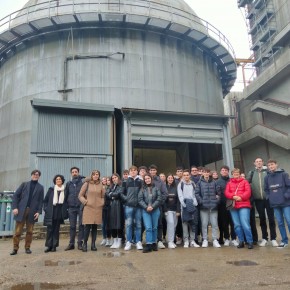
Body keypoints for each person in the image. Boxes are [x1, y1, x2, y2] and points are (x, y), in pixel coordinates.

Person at [10, 170, 44, 255]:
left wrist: (39, 212)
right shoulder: (24, 184)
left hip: (32, 212)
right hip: (21, 210)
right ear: (31, 175)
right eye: (34, 174)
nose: (35, 175)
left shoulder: (40, 187)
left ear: (39, 176)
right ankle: (15, 248)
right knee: (18, 231)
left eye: (37, 174)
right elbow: (16, 196)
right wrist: (14, 207)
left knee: (30, 232)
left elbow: (41, 201)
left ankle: (27, 248)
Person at [248, 157, 278, 247]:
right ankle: (264, 238)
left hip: (268, 199)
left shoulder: (268, 172)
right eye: (257, 162)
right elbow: (246, 183)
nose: (259, 163)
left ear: (262, 162)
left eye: (260, 161)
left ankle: (273, 238)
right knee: (262, 219)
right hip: (258, 200)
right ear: (254, 163)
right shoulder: (252, 173)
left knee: (271, 218)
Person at [225, 168, 253, 249]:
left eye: (237, 173)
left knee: (245, 224)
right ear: (232, 174)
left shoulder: (245, 182)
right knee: (237, 225)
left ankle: (249, 241)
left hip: (244, 204)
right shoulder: (229, 183)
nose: (236, 174)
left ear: (240, 174)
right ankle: (241, 241)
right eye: (234, 173)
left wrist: (240, 197)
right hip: (233, 206)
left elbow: (248, 192)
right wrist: (233, 196)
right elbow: (226, 193)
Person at [264, 159, 290, 248]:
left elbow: (289, 186)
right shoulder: (267, 177)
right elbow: (266, 189)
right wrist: (269, 197)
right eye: (269, 165)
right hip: (274, 203)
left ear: (276, 165)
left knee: (289, 221)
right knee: (280, 223)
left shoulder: (284, 174)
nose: (271, 166)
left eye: (272, 164)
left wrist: (286, 195)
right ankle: (284, 241)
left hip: (285, 203)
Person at [79, 170, 105, 252]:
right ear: (91, 175)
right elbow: (80, 195)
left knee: (94, 227)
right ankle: (85, 244)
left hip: (98, 208)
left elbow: (103, 195)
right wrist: (85, 202)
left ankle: (93, 244)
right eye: (94, 174)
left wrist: (102, 202)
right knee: (87, 227)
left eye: (97, 174)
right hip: (88, 208)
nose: (96, 176)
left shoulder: (101, 185)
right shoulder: (86, 184)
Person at [195, 168, 221, 248]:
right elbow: (196, 193)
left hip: (213, 207)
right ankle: (205, 239)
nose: (206, 174)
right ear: (202, 173)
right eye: (205, 172)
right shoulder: (199, 183)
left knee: (214, 224)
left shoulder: (214, 182)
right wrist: (201, 201)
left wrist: (217, 200)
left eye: (207, 172)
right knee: (204, 224)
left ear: (210, 173)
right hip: (203, 207)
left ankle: (215, 239)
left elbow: (219, 193)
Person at [121, 165, 143, 251]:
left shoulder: (141, 181)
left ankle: (138, 242)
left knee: (138, 224)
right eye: (131, 170)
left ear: (137, 172)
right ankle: (128, 242)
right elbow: (121, 193)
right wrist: (127, 199)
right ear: (129, 172)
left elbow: (143, 192)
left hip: (138, 207)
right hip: (128, 206)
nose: (133, 172)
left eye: (135, 170)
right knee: (129, 225)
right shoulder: (125, 181)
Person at [43, 174, 68, 253]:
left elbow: (67, 201)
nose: (58, 180)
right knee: (50, 229)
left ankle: (54, 246)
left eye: (60, 179)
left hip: (59, 212)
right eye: (57, 179)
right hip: (51, 212)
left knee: (56, 230)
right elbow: (45, 200)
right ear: (55, 181)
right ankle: (49, 246)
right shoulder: (51, 189)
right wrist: (46, 209)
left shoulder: (65, 190)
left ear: (62, 181)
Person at [138, 174, 162, 253]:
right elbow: (140, 200)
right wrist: (146, 207)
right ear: (144, 180)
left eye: (148, 178)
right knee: (148, 227)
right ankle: (148, 244)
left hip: (155, 210)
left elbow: (159, 198)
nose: (147, 180)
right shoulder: (142, 189)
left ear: (151, 179)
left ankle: (154, 243)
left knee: (154, 227)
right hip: (146, 211)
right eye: (146, 179)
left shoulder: (156, 188)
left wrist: (153, 206)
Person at [216, 166, 238, 247]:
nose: (224, 171)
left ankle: (234, 238)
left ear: (228, 172)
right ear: (220, 172)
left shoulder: (232, 180)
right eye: (222, 170)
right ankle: (226, 238)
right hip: (222, 205)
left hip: (232, 204)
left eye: (226, 170)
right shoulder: (217, 182)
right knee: (224, 223)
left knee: (233, 222)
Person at [177, 170, 200, 248]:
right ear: (183, 176)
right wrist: (184, 204)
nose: (186, 176)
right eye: (184, 175)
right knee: (185, 224)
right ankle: (186, 240)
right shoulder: (180, 184)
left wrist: (195, 203)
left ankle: (192, 241)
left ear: (189, 175)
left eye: (187, 175)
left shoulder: (193, 184)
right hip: (184, 207)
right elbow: (180, 195)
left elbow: (194, 194)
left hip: (192, 206)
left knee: (192, 223)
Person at [64, 167, 84, 251]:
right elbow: (66, 195)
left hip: (80, 207)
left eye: (76, 172)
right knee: (72, 226)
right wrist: (65, 206)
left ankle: (80, 243)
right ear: (71, 173)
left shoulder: (82, 182)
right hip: (71, 207)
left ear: (78, 173)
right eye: (73, 172)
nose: (74, 173)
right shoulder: (68, 183)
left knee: (81, 225)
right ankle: (71, 244)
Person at [149, 164, 168, 249]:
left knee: (159, 224)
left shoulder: (160, 181)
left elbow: (165, 193)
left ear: (156, 171)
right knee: (149, 224)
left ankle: (159, 240)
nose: (152, 172)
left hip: (158, 206)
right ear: (149, 171)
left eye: (154, 170)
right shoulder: (146, 180)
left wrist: (159, 202)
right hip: (148, 206)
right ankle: (151, 240)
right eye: (151, 170)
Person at [105, 173, 124, 249]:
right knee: (112, 224)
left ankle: (119, 241)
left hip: (119, 206)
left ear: (118, 178)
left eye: (115, 177)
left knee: (118, 223)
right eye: (112, 178)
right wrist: (112, 195)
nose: (114, 179)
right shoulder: (111, 186)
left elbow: (118, 194)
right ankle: (114, 240)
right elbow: (107, 194)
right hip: (111, 207)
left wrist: (112, 194)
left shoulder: (121, 186)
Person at [164, 174, 181, 249]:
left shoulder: (176, 187)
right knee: (170, 224)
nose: (170, 179)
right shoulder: (164, 187)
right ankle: (170, 241)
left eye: (171, 178)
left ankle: (172, 241)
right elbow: (163, 200)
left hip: (175, 210)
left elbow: (178, 200)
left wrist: (178, 210)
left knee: (174, 225)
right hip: (168, 210)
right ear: (167, 179)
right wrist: (165, 210)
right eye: (169, 178)